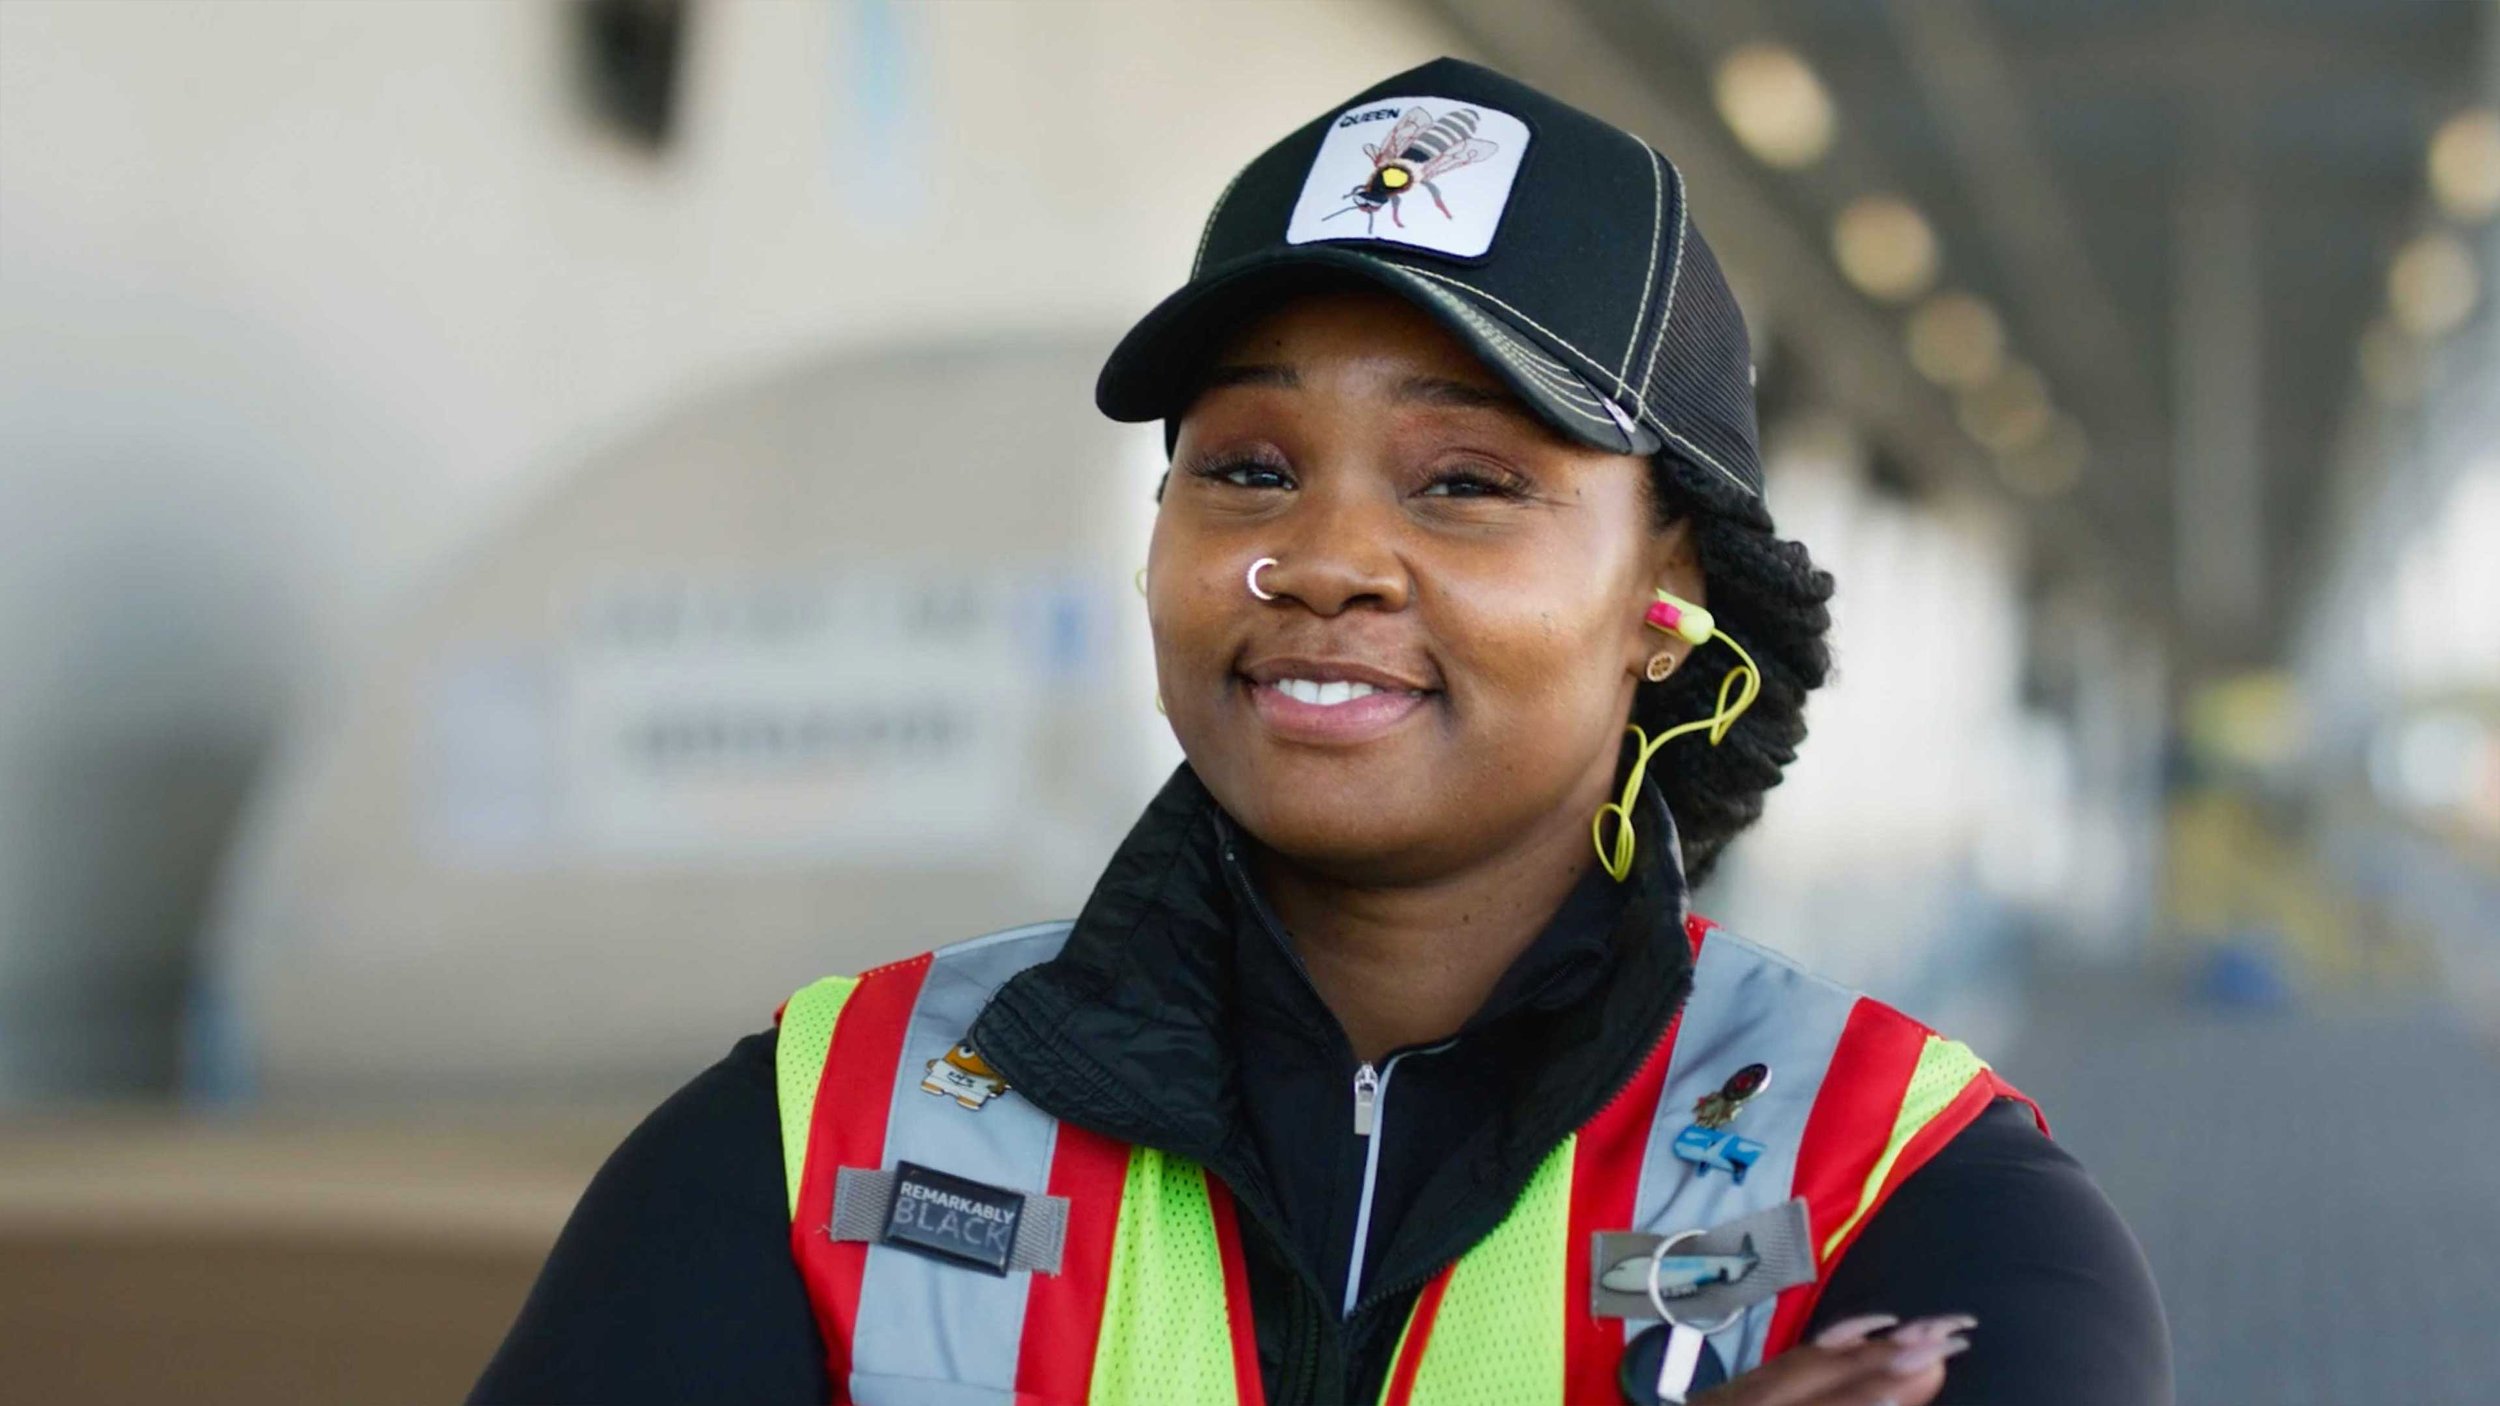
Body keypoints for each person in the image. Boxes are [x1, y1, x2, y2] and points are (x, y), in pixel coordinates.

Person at [472, 58, 2169, 1406]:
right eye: (1251, 468)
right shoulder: (817, 1134)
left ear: (1673, 596)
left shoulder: (1910, 1191)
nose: (1331, 558)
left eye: (1466, 482)